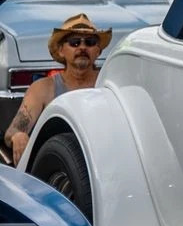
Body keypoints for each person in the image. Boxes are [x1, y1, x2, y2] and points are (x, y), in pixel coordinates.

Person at [4, 13, 110, 164]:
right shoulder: (43, 88)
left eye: (90, 42)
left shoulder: (108, 83)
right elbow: (12, 131)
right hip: (57, 169)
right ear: (61, 51)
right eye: (74, 42)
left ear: (98, 50)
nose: (82, 47)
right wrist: (18, 136)